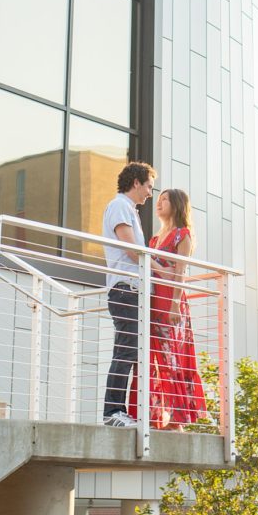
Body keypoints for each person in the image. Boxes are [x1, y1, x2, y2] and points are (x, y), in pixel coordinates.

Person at [127, 188, 207, 429]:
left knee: (171, 357)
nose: (159, 203)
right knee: (150, 358)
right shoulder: (154, 239)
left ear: (177, 205)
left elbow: (180, 272)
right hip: (152, 301)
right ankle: (151, 416)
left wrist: (174, 305)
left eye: (164, 200)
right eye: (158, 199)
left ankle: (177, 420)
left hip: (171, 301)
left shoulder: (183, 234)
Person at [101, 161, 156, 427]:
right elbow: (133, 251)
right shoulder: (120, 206)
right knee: (125, 351)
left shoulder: (128, 209)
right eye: (148, 186)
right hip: (125, 290)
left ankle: (116, 411)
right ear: (136, 182)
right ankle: (112, 412)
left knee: (129, 351)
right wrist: (161, 268)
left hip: (130, 290)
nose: (150, 193)